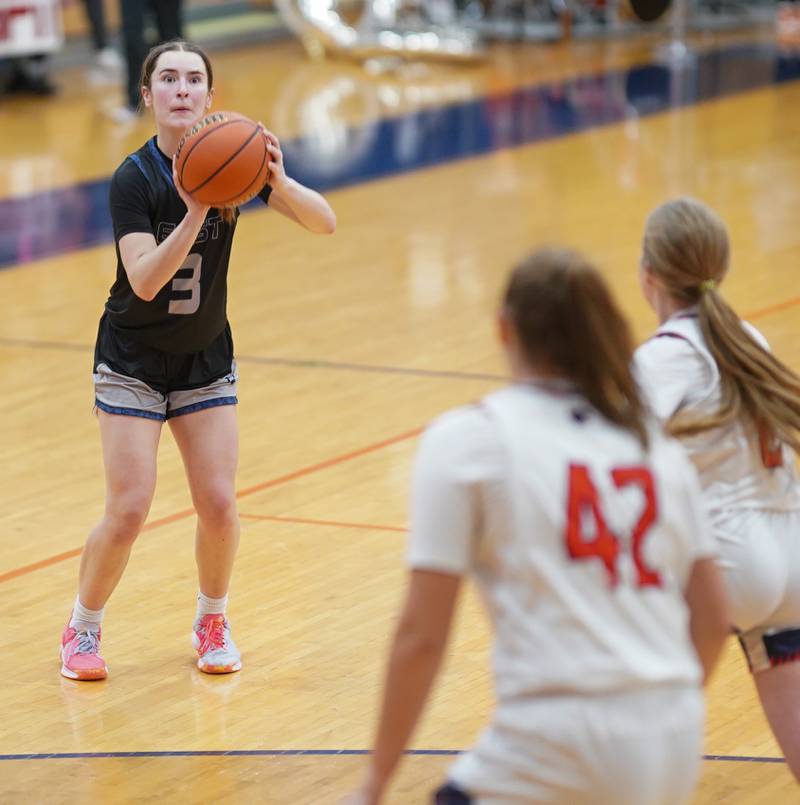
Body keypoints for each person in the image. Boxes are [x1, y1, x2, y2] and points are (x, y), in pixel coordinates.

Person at [347, 248, 730, 805]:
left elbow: (422, 636)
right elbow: (714, 616)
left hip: (557, 736)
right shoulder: (653, 445)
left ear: (505, 331)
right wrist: (653, 712)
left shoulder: (471, 439)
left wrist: (373, 784)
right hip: (672, 734)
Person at [59, 39, 336, 681]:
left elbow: (324, 223)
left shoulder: (232, 163)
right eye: (168, 79)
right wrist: (195, 212)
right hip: (131, 356)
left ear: (210, 98)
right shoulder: (135, 178)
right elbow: (146, 281)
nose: (181, 90)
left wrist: (279, 180)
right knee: (129, 508)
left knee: (217, 501)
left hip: (204, 354)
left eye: (193, 80)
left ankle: (212, 618)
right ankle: (82, 628)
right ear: (147, 95)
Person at [634, 197, 800, 779]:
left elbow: (608, 459)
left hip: (729, 559)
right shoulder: (748, 337)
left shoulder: (661, 358)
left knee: (624, 703)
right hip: (792, 555)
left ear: (647, 275)